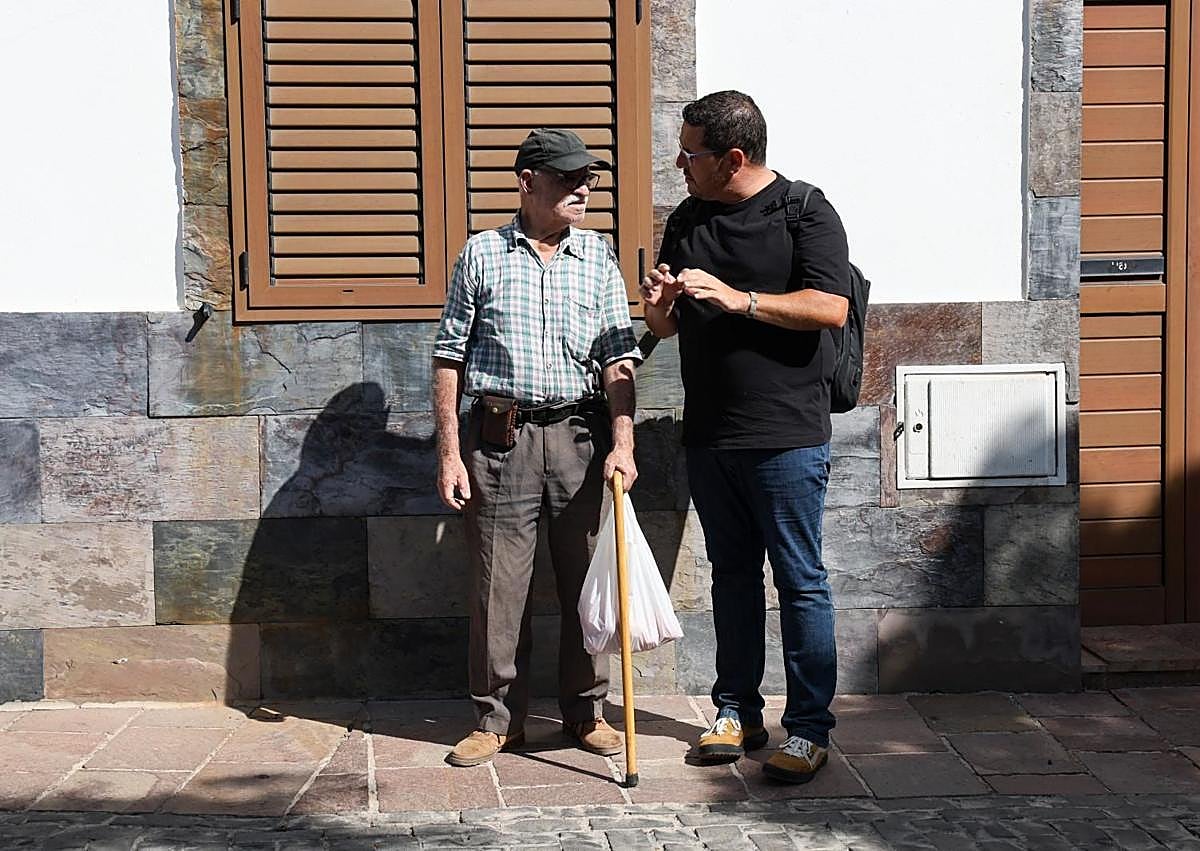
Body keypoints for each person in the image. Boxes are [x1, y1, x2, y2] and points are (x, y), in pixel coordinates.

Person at [641, 91, 850, 784]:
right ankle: (737, 711)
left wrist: (742, 298)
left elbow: (831, 305)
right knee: (732, 578)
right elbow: (671, 330)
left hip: (787, 435)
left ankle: (809, 727)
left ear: (733, 157)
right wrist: (661, 310)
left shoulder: (805, 210)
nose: (679, 163)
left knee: (799, 580)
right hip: (711, 433)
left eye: (690, 153)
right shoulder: (688, 218)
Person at [432, 128, 641, 768]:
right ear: (527, 182)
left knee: (587, 580)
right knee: (499, 587)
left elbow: (619, 358)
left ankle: (585, 713)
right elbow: (448, 359)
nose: (585, 188)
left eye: (590, 179)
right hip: (501, 441)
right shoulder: (482, 254)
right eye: (569, 178)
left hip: (581, 438)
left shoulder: (598, 257)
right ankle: (497, 721)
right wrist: (447, 453)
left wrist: (623, 442)